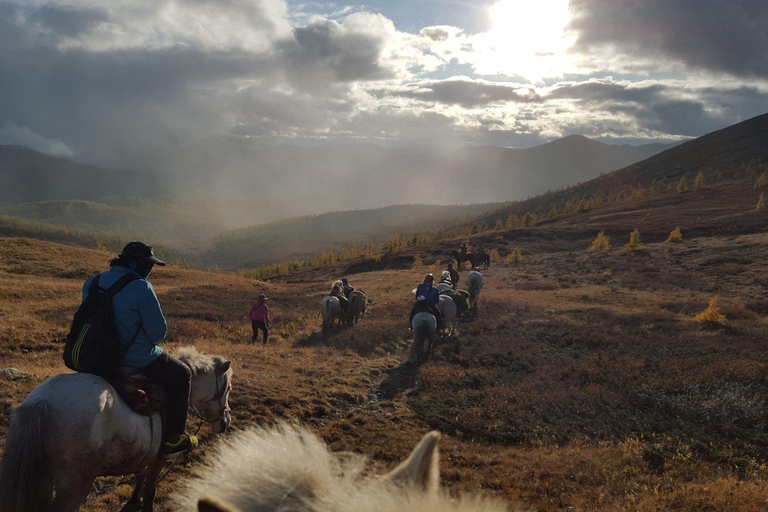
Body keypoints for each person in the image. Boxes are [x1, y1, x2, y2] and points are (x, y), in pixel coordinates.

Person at [82, 241, 196, 459]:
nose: (149, 269)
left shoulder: (92, 282)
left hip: (94, 356)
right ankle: (173, 440)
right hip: (137, 357)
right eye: (147, 264)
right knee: (182, 374)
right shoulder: (141, 287)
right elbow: (157, 334)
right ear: (132, 261)